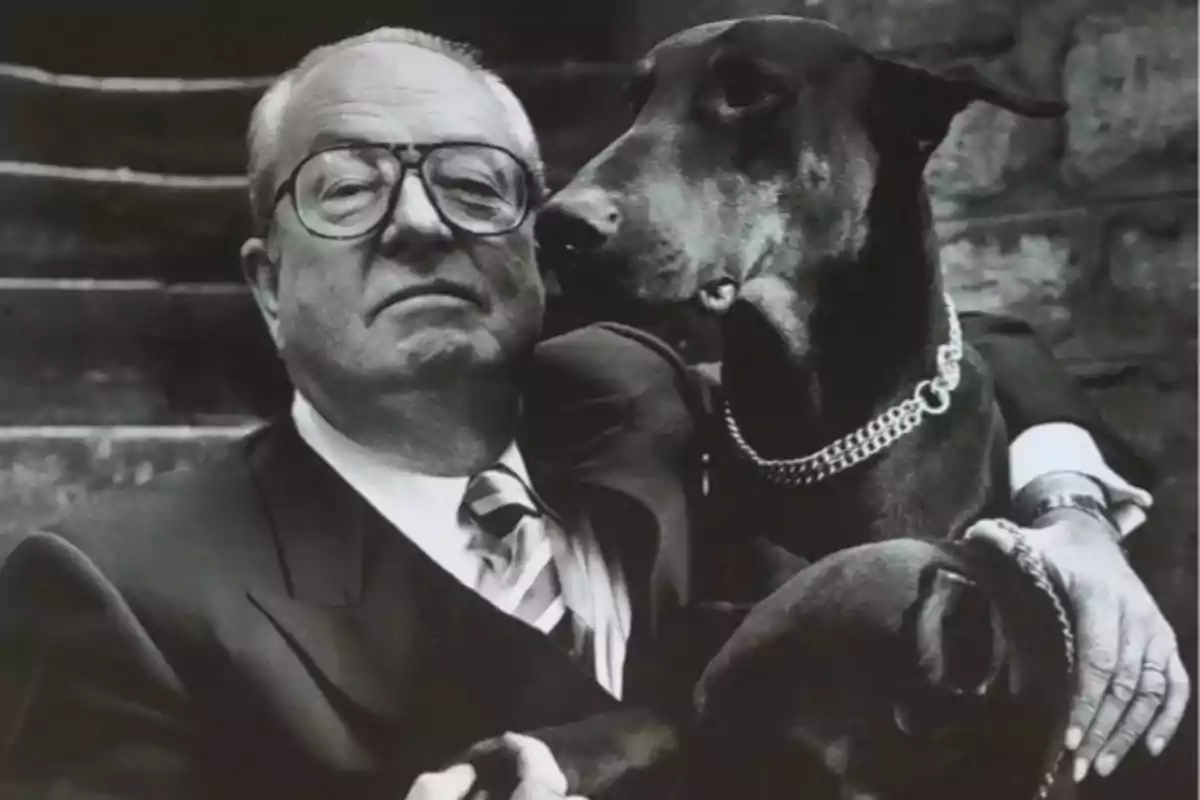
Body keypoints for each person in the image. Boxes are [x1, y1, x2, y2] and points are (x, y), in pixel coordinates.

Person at [0, 27, 1185, 800]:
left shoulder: (629, 382)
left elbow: (985, 355)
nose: (420, 226)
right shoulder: (120, 592)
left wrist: (1069, 508)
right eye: (348, 187)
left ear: (535, 239)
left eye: (473, 185)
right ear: (266, 280)